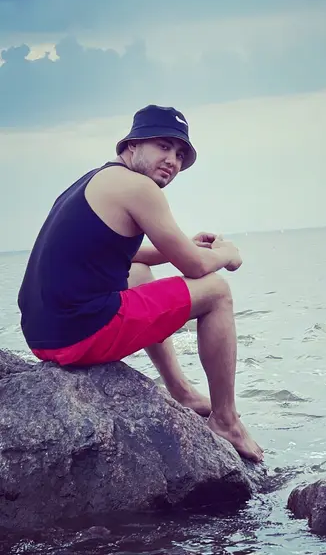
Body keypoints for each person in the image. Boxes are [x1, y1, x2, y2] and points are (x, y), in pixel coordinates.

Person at [18, 104, 263, 463]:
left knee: (137, 273)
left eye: (179, 154)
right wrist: (227, 254)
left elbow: (125, 253)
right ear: (132, 145)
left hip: (44, 336)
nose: (172, 161)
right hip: (79, 336)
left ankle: (180, 390)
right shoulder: (139, 187)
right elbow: (195, 267)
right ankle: (226, 421)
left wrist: (182, 246)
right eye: (163, 146)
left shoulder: (95, 180)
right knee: (217, 291)